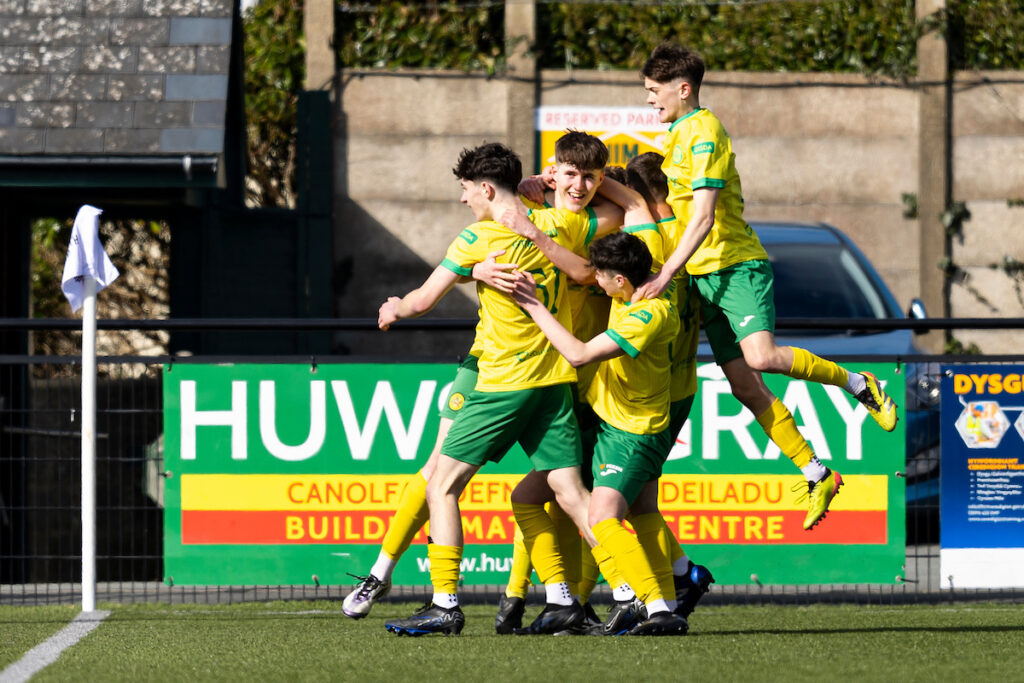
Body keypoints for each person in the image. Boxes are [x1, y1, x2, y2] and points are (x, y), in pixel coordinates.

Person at [637, 43, 898, 530]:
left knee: (761, 358)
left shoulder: (705, 132)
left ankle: (864, 385)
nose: (650, 101)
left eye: (654, 92)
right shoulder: (676, 133)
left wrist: (666, 273)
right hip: (704, 276)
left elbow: (703, 217)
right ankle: (817, 471)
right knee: (745, 386)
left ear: (683, 89)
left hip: (735, 268)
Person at [380, 142, 599, 637]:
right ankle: (632, 597)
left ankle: (445, 603)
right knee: (571, 492)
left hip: (502, 384)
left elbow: (422, 302)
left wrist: (393, 306)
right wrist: (541, 191)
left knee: (442, 484)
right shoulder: (559, 226)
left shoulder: (477, 238)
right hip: (556, 382)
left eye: (464, 190)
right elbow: (588, 260)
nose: (463, 201)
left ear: (483, 188)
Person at [510, 231, 688, 636]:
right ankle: (666, 604)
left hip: (633, 432)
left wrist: (533, 305)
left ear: (621, 280)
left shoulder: (649, 314)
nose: (596, 283)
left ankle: (653, 607)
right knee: (641, 513)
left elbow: (578, 353)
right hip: (608, 423)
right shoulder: (642, 286)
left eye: (601, 278)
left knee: (603, 518)